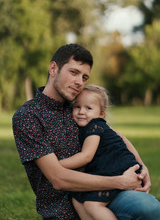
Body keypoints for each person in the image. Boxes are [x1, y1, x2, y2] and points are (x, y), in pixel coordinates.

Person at [12, 43, 160, 220]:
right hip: (64, 211)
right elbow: (58, 179)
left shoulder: (79, 106)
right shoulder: (28, 116)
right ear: (53, 69)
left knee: (149, 207)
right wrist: (119, 181)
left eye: (84, 77)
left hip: (107, 196)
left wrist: (142, 168)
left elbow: (116, 135)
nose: (79, 82)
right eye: (74, 72)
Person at [59, 85, 159, 220]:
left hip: (116, 169)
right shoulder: (91, 126)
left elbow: (86, 156)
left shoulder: (94, 126)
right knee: (77, 199)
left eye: (88, 108)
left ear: (101, 113)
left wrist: (56, 165)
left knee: (92, 205)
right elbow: (123, 139)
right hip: (107, 168)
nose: (81, 111)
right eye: (77, 107)